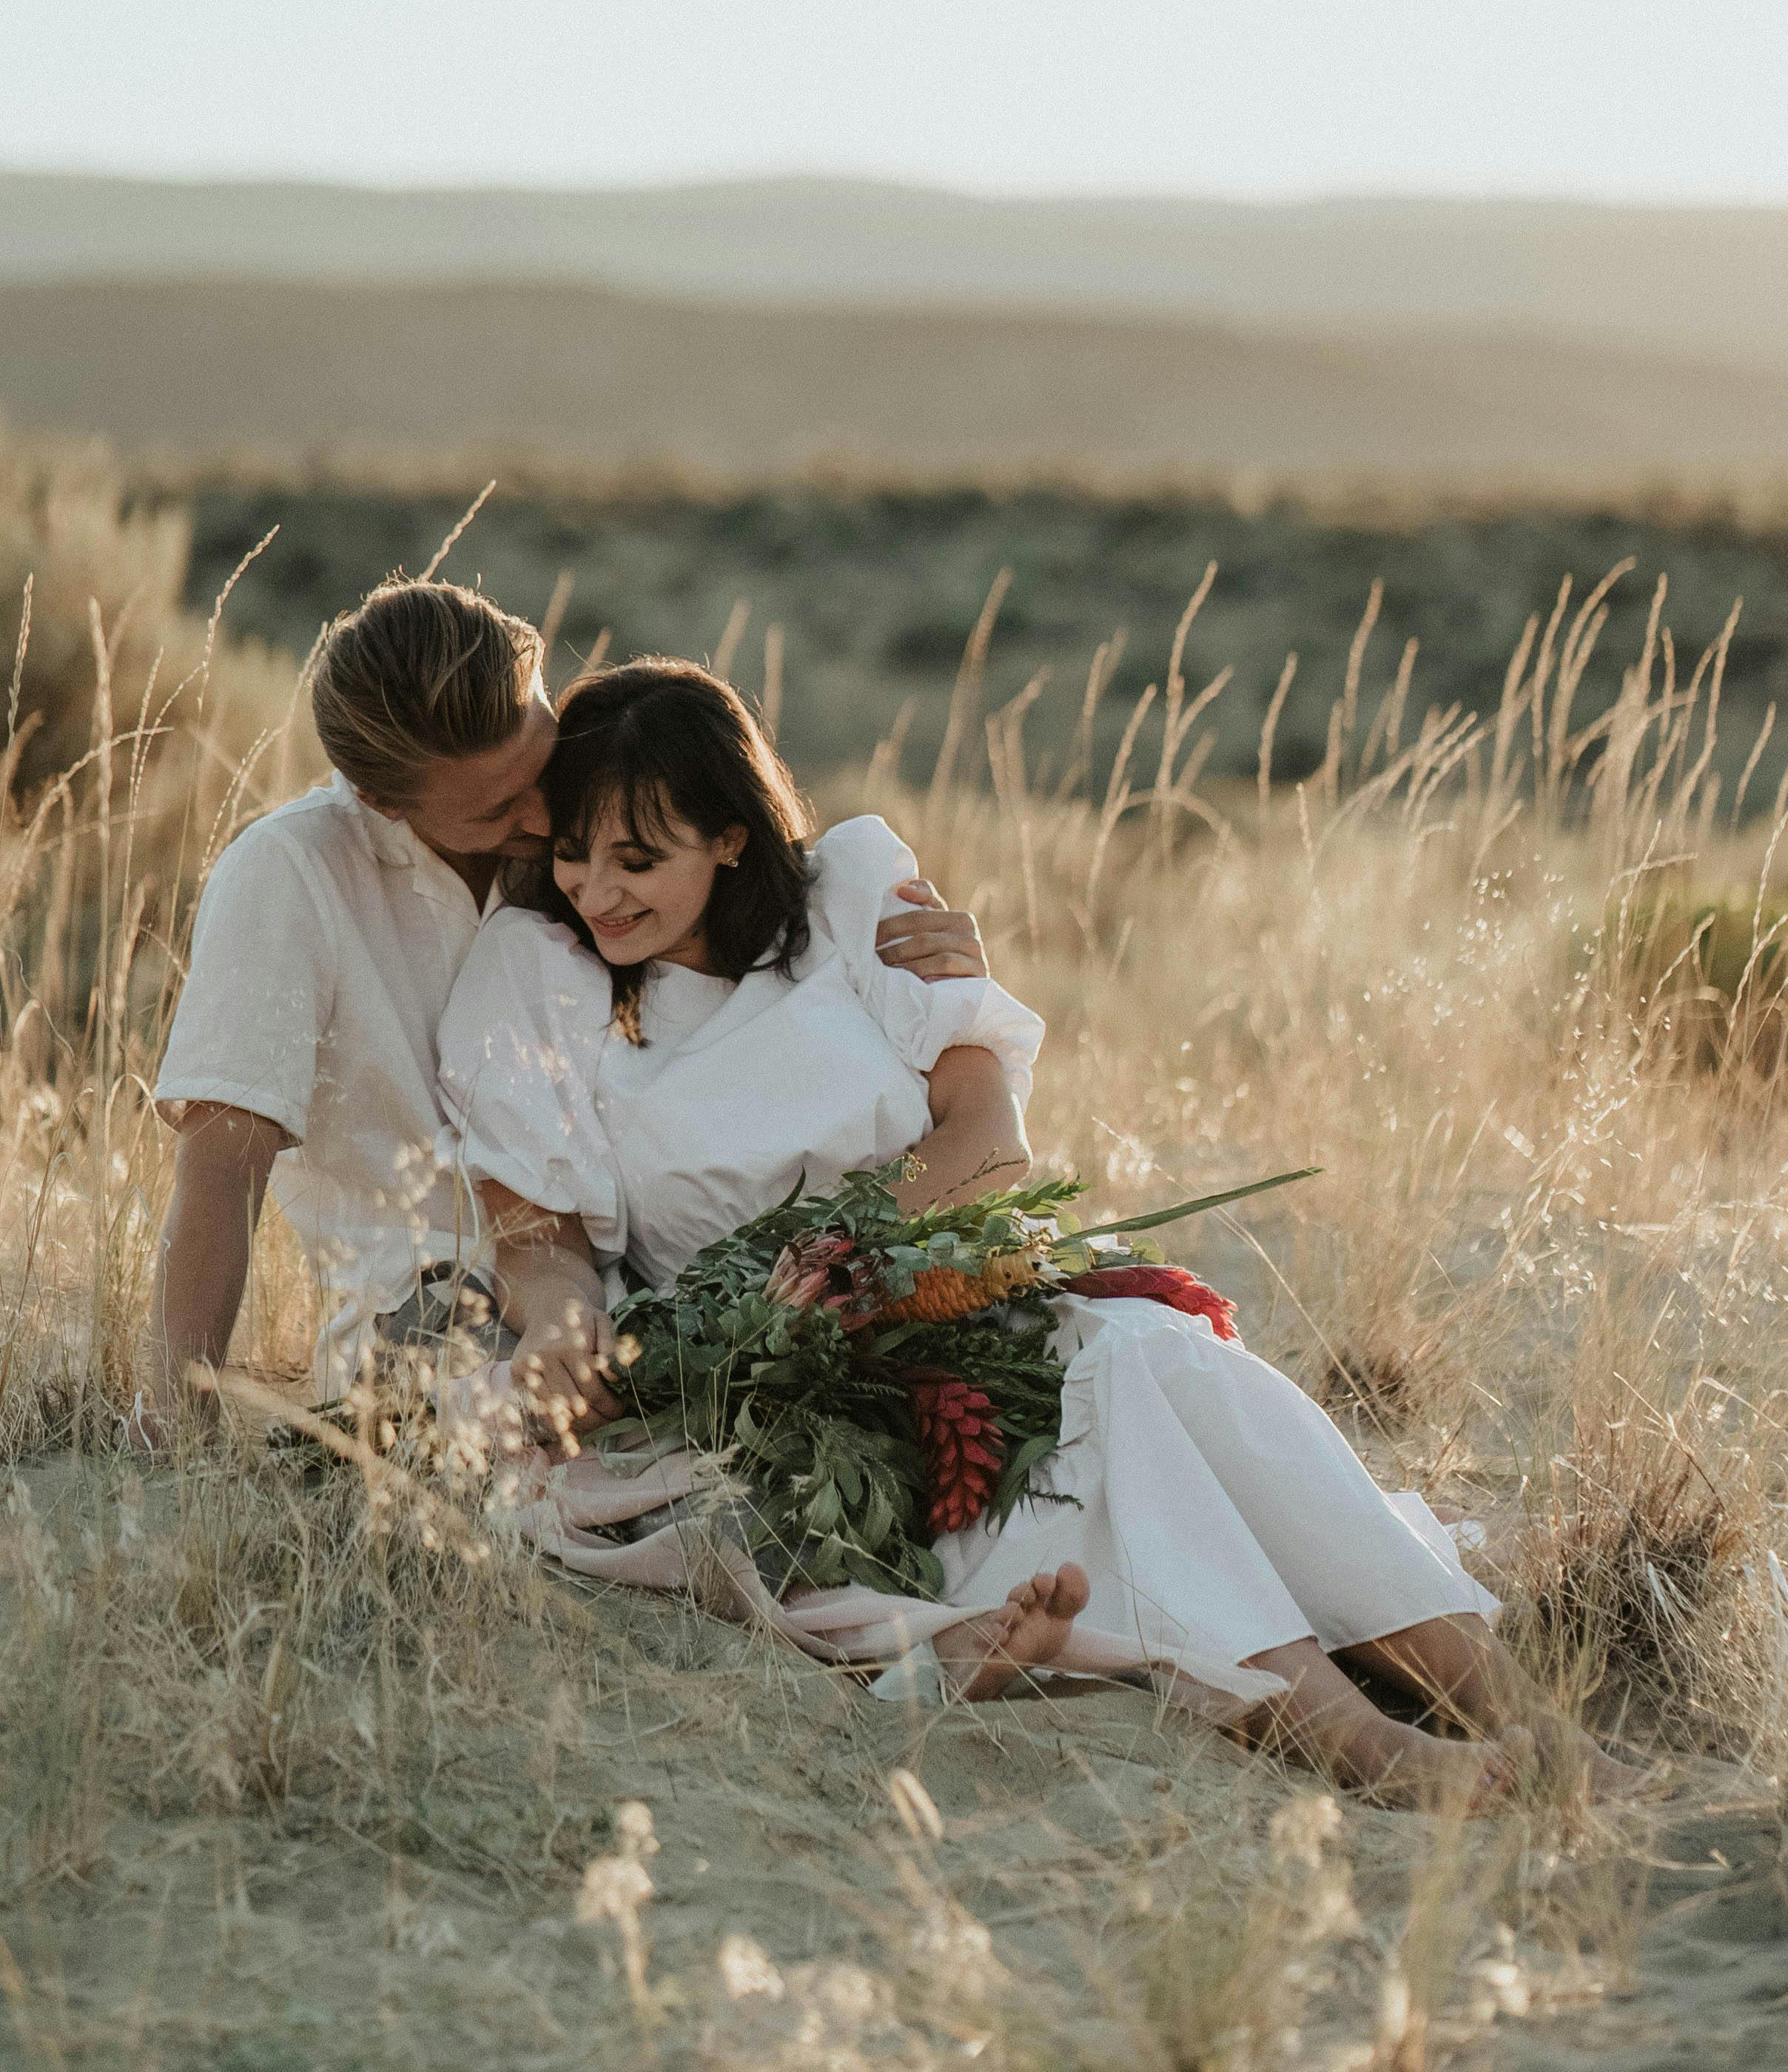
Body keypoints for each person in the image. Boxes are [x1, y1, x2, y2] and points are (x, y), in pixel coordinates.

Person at [437, 659, 1630, 1811]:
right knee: (1108, 1397)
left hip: (954, 1287)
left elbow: (988, 1140)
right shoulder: (550, 984)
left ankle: (1530, 1714)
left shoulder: (846, 898)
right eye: (575, 855)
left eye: (638, 857)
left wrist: (862, 1257)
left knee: (1165, 1363)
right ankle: (1355, 1736)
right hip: (785, 1370)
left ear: (733, 836)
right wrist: (565, 1323)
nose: (598, 890)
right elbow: (537, 1232)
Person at [145, 579, 989, 1424]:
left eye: (542, 765)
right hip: (447, 1298)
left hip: (641, 1285)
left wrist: (905, 970)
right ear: (382, 800)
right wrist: (177, 1418)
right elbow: (221, 1168)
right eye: (498, 806)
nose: (548, 815)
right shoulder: (290, 875)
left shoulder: (583, 859)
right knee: (548, 1445)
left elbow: (701, 851)